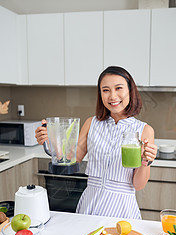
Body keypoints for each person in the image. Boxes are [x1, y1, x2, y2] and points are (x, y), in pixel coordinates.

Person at [35, 66, 157, 219]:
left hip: (122, 208)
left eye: (118, 88)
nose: (112, 96)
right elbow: (70, 159)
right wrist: (50, 141)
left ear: (130, 90)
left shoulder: (144, 130)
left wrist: (146, 161)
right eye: (105, 90)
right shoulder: (91, 123)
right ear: (100, 94)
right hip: (90, 204)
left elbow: (138, 185)